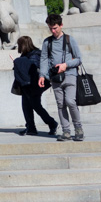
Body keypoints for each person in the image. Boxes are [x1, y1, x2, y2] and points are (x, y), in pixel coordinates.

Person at [38, 14, 84, 142]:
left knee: (70, 101)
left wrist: (66, 65)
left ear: (61, 25)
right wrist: (42, 75)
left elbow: (79, 59)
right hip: (55, 78)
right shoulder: (47, 42)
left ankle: (78, 128)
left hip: (70, 75)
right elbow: (44, 59)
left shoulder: (70, 40)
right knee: (60, 104)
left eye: (55, 28)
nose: (53, 31)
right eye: (50, 28)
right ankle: (66, 131)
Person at [13, 35, 58, 136]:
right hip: (26, 85)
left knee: (36, 106)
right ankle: (31, 127)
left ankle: (52, 123)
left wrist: (19, 62)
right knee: (26, 106)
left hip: (35, 85)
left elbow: (33, 66)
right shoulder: (26, 54)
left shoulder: (35, 54)